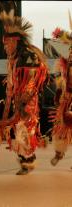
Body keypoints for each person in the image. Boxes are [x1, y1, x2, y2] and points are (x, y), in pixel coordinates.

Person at [0, 4, 48, 175]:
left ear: (15, 42)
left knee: (22, 131)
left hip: (27, 103)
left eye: (7, 43)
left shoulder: (29, 57)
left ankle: (28, 161)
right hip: (13, 99)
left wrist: (23, 103)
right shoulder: (14, 57)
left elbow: (32, 82)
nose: (5, 47)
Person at [49, 16, 72, 167]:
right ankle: (59, 152)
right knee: (60, 125)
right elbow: (60, 77)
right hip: (66, 97)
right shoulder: (65, 63)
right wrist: (58, 91)